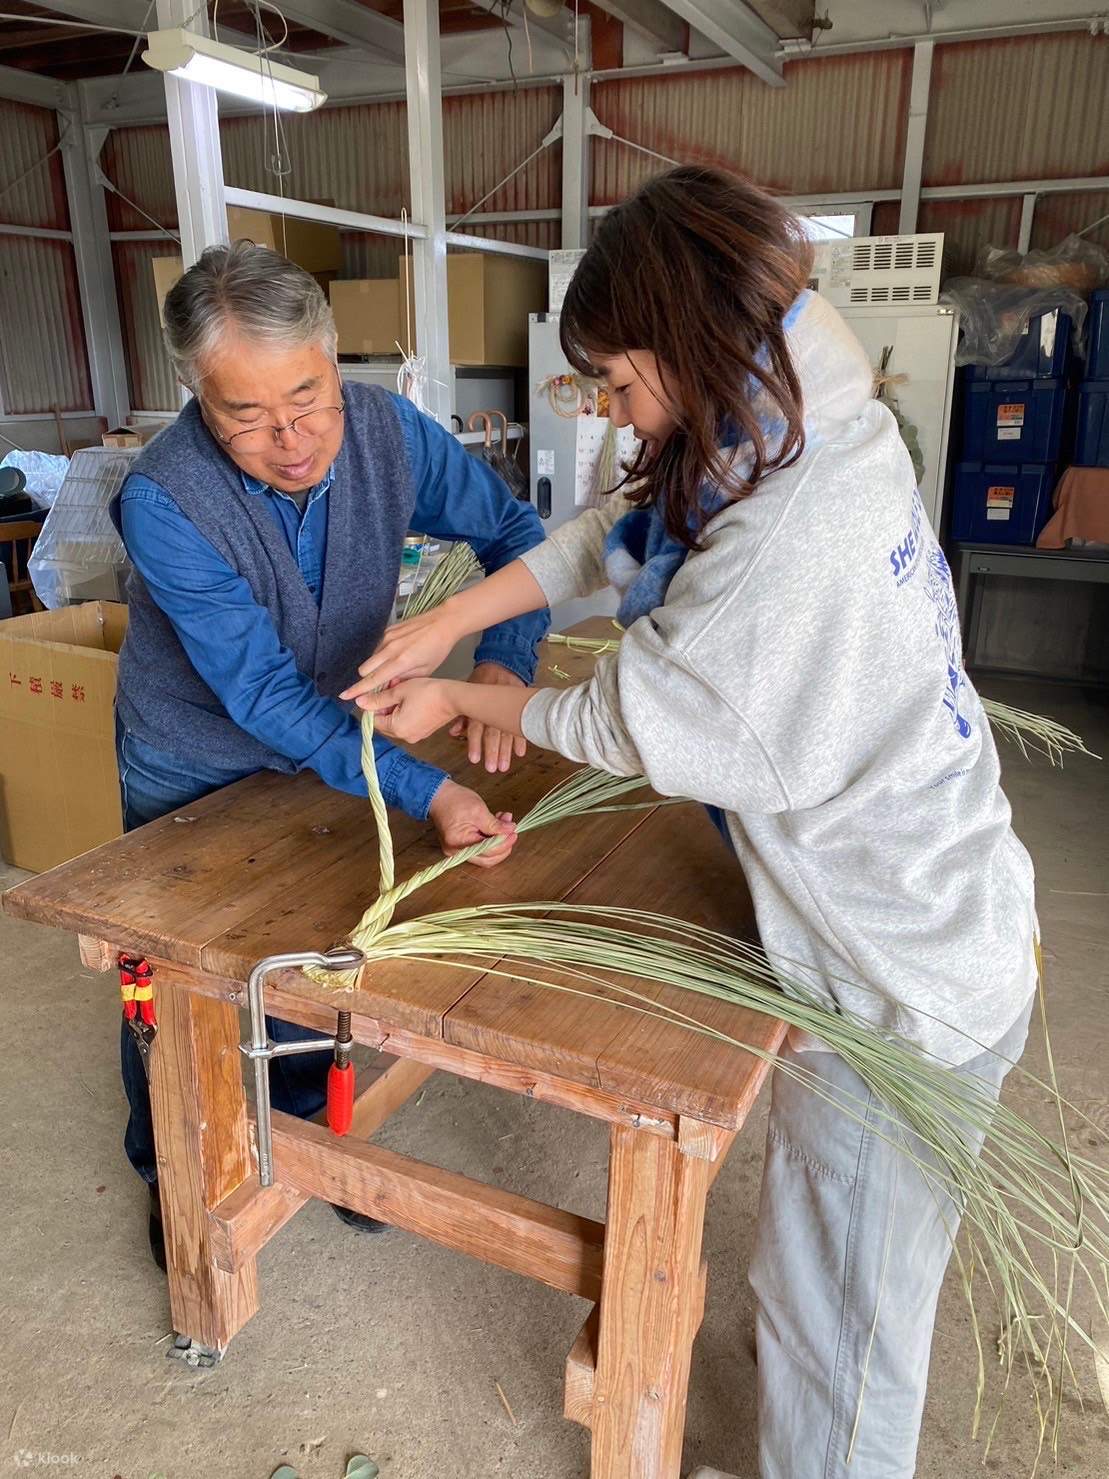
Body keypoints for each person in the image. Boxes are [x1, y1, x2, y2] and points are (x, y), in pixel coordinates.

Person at [341, 167, 1040, 1478]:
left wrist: (472, 693)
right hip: (942, 899)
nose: (610, 411)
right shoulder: (798, 394)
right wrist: (456, 615)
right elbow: (629, 521)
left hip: (900, 969)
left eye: (618, 380)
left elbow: (644, 721)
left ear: (694, 348)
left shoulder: (789, 543)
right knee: (823, 1272)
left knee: (844, 1326)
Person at [112, 240, 548, 1266]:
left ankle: (310, 1145)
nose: (292, 439)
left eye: (308, 398)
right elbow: (261, 694)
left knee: (321, 960)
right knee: (170, 987)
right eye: (244, 417)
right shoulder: (164, 498)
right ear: (193, 397)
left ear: (334, 355)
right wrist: (426, 788)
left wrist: (503, 671)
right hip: (193, 764)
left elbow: (518, 533)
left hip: (335, 750)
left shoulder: (390, 432)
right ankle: (170, 1169)